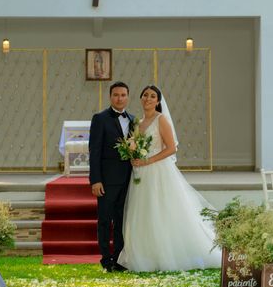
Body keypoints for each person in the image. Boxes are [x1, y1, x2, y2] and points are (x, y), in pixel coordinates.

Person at [117, 85, 221, 272]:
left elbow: (171, 148)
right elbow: (135, 145)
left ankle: (168, 254)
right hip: (140, 174)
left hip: (158, 171)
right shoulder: (137, 123)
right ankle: (146, 255)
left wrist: (148, 160)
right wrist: (133, 156)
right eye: (145, 95)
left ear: (158, 102)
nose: (148, 99)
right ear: (140, 99)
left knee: (161, 210)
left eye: (152, 96)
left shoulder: (161, 120)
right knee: (144, 211)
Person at [89, 81, 134, 272]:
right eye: (116, 95)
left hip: (129, 179)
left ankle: (119, 258)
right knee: (105, 220)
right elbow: (94, 151)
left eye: (123, 95)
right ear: (110, 96)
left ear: (128, 97)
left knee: (122, 220)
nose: (120, 98)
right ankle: (106, 259)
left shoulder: (133, 119)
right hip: (107, 180)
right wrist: (95, 180)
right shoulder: (100, 118)